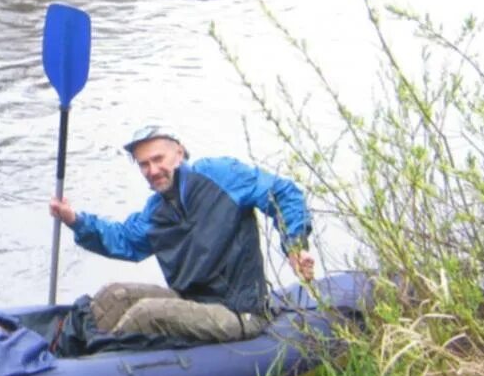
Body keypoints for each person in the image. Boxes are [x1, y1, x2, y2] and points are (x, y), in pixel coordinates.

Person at [47, 126, 316, 344]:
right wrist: (75, 221)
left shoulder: (221, 176)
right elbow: (124, 241)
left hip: (240, 313)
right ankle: (75, 355)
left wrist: (295, 245)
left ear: (179, 153)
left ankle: (103, 366)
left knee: (147, 313)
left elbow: (283, 194)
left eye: (157, 159)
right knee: (113, 295)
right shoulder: (156, 211)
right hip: (191, 303)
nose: (152, 170)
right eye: (143, 165)